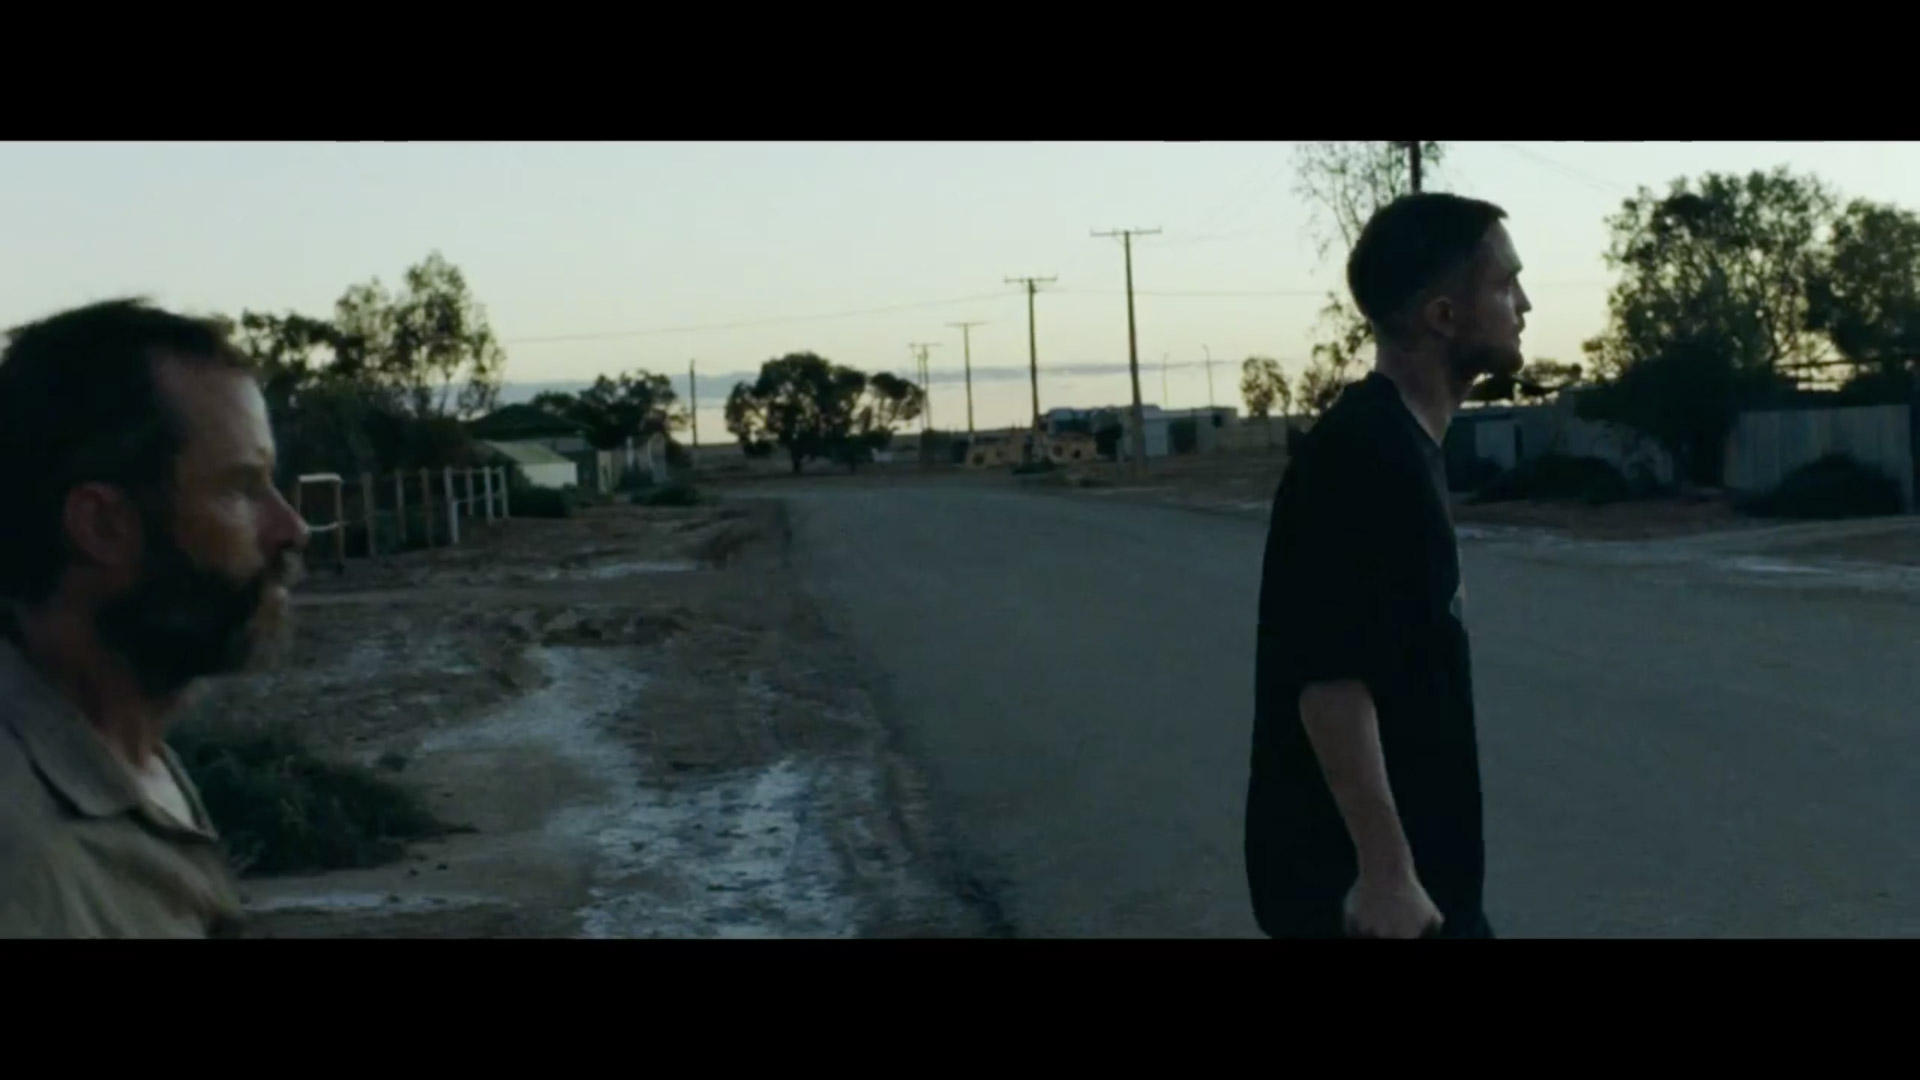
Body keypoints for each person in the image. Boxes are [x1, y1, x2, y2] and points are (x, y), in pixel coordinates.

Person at [1245, 192, 1530, 939]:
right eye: (1506, 285)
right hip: (1371, 904)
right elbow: (1330, 681)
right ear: (1444, 315)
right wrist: (1385, 873)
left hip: (1421, 891)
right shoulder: (1363, 455)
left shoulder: (1402, 446)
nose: (1524, 305)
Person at [0, 299, 310, 938]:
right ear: (102, 525)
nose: (291, 527)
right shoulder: (27, 864)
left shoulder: (120, 754)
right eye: (241, 489)